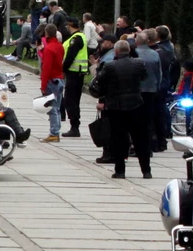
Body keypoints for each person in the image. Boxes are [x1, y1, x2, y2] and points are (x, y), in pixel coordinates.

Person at [89, 40, 151, 179]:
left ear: (116, 52)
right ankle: (146, 170)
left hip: (116, 107)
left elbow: (99, 81)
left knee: (118, 139)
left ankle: (120, 170)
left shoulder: (110, 66)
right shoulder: (139, 63)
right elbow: (144, 77)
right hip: (137, 104)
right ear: (128, 50)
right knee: (140, 139)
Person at [134, 31, 163, 150]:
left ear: (137, 41)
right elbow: (159, 73)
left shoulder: (134, 54)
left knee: (136, 118)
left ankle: (138, 144)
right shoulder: (155, 54)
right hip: (151, 90)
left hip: (137, 90)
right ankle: (152, 143)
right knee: (148, 118)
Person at [60, 17, 88, 138]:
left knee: (71, 100)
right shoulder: (78, 37)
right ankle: (74, 126)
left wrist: (63, 70)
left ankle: (74, 127)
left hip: (74, 73)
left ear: (69, 26)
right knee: (72, 100)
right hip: (76, 73)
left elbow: (70, 57)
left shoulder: (76, 39)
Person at [39, 24, 65, 142]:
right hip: (60, 79)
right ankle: (56, 132)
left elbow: (46, 68)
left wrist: (43, 85)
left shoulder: (49, 48)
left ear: (47, 33)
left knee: (52, 108)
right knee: (57, 107)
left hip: (51, 81)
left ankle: (54, 133)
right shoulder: (60, 46)